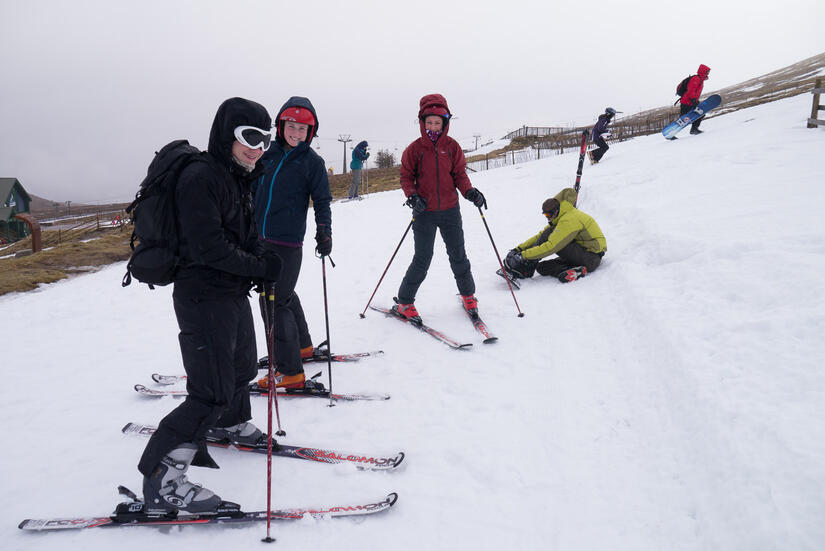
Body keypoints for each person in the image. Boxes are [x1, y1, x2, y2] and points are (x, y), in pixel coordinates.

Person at [138, 97, 283, 514]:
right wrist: (257, 264)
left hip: (231, 292)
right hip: (203, 295)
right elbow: (208, 247)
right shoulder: (200, 177)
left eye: (264, 139)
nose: (258, 147)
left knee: (241, 370)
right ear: (227, 135)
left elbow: (245, 233)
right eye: (249, 137)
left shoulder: (238, 176)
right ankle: (162, 477)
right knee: (209, 390)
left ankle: (231, 421)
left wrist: (264, 258)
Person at [253, 96, 332, 390]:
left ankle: (290, 371)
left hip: (287, 243)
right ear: (281, 125)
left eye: (303, 129)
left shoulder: (312, 163)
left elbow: (322, 201)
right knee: (284, 296)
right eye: (291, 127)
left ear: (311, 132)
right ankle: (302, 347)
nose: (296, 133)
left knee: (273, 302)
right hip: (259, 239)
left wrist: (324, 230)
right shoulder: (266, 155)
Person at [393, 93, 486, 323]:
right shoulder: (414, 150)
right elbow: (406, 177)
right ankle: (405, 302)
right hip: (424, 213)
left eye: (438, 122)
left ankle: (468, 295)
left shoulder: (452, 147)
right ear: (423, 122)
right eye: (429, 122)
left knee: (458, 255)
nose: (433, 126)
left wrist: (470, 192)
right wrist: (413, 197)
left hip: (450, 210)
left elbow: (459, 174)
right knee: (422, 258)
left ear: (445, 123)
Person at [503, 188, 606, 283]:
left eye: (548, 215)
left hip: (591, 257)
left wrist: (523, 256)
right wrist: (519, 249)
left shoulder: (570, 219)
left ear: (556, 211)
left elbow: (551, 246)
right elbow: (540, 236)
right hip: (582, 255)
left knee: (551, 237)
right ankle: (575, 270)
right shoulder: (561, 216)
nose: (547, 218)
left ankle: (526, 265)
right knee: (541, 267)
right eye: (545, 215)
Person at [679, 64, 711, 135]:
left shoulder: (700, 80)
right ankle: (671, 132)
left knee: (700, 113)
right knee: (683, 119)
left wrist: (695, 100)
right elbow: (691, 90)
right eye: (707, 71)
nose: (708, 73)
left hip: (691, 101)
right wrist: (693, 99)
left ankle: (694, 129)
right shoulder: (696, 78)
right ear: (703, 71)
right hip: (687, 102)